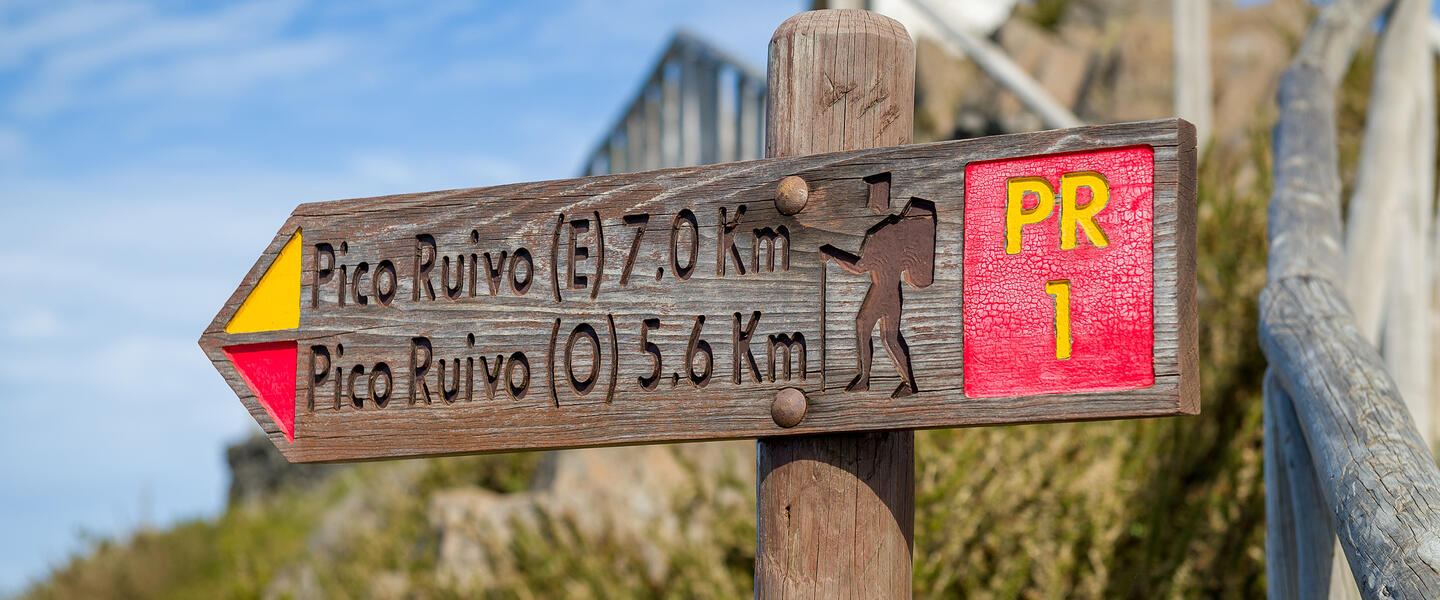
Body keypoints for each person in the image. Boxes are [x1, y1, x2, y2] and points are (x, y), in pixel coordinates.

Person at [820, 197, 936, 398]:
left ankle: (865, 378)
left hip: (881, 291)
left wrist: (832, 254)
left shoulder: (881, 235)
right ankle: (907, 383)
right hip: (894, 293)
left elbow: (859, 267)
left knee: (865, 327)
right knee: (889, 338)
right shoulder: (903, 241)